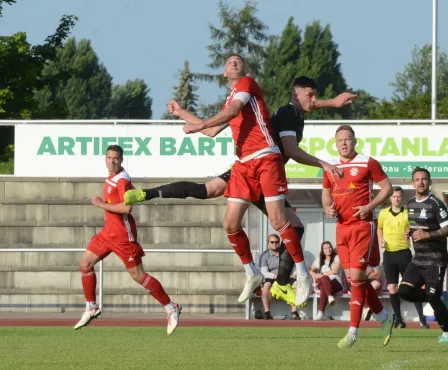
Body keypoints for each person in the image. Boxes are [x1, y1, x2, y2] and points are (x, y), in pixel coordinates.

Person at [124, 71, 353, 306]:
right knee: (223, 199)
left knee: (215, 193)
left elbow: (211, 129)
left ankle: (275, 281)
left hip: (258, 169)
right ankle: (281, 282)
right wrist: (323, 163)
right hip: (258, 170)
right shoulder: (288, 114)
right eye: (311, 95)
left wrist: (333, 102)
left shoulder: (278, 110)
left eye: (315, 96)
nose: (315, 100)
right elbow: (291, 150)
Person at [74, 145, 181, 334]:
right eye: (109, 157)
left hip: (123, 236)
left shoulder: (122, 180)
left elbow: (127, 208)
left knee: (138, 275)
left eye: (115, 158)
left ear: (121, 160)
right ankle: (91, 307)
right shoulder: (112, 178)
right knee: (85, 264)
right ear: (104, 158)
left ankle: (171, 307)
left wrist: (100, 204)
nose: (111, 161)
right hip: (108, 233)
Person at [322, 124, 394, 348]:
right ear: (336, 144)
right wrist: (327, 207)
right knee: (355, 280)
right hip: (341, 228)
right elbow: (325, 193)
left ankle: (352, 332)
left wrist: (369, 206)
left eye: (347, 139)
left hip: (362, 226)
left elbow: (387, 188)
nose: (343, 143)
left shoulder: (367, 162)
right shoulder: (330, 166)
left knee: (356, 279)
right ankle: (384, 318)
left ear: (354, 141)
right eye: (340, 140)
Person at [397, 167, 448, 343]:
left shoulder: (436, 203)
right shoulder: (410, 203)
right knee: (404, 292)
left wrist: (427, 235)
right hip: (418, 259)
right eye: (417, 179)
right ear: (412, 183)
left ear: (429, 182)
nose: (421, 182)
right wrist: (408, 231)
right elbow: (415, 224)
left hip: (435, 260)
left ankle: (447, 334)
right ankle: (437, 297)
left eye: (424, 179)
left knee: (432, 297)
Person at [377, 186, 428, 329]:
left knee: (411, 286)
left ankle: (422, 318)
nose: (396, 199)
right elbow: (379, 228)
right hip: (389, 255)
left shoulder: (408, 214)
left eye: (399, 196)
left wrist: (409, 231)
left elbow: (414, 228)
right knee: (392, 287)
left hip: (404, 254)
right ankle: (399, 320)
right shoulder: (383, 213)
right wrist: (380, 239)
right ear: (390, 198)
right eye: (394, 196)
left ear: (402, 198)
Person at [258, 234, 300, 320]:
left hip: (287, 276)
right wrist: (276, 276)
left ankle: (294, 312)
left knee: (297, 285)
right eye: (272, 242)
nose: (274, 244)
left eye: (276, 242)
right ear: (268, 243)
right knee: (266, 287)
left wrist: (294, 273)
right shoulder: (264, 255)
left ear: (280, 243)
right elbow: (264, 272)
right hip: (272, 278)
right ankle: (267, 312)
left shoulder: (287, 253)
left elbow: (296, 266)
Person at [310, 241, 342, 320]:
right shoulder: (320, 260)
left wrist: (321, 274)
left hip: (336, 282)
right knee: (324, 278)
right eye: (326, 248)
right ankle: (330, 296)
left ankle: (320, 313)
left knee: (324, 286)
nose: (328, 249)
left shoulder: (337, 257)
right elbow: (310, 269)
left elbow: (335, 271)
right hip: (323, 281)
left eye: (329, 247)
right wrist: (314, 275)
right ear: (323, 250)